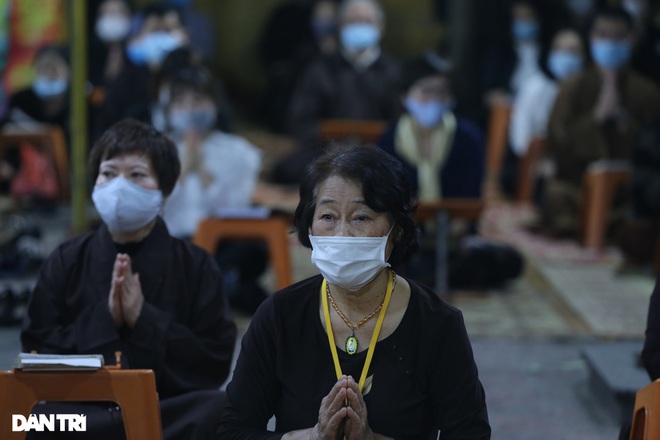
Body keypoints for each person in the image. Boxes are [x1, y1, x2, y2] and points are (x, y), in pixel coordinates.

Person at [218, 145, 491, 438]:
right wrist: (309, 438)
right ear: (308, 226)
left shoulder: (437, 325)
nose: (342, 234)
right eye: (328, 217)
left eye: (361, 217)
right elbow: (232, 430)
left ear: (397, 230)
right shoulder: (280, 315)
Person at [21, 119, 237, 439]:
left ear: (164, 190)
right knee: (24, 419)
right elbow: (35, 350)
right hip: (83, 414)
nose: (119, 187)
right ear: (95, 182)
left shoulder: (196, 265)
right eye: (108, 173)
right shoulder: (67, 259)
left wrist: (144, 320)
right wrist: (105, 320)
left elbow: (214, 360)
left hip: (165, 411)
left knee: (218, 409)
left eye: (136, 175)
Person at [158, 65, 268, 314]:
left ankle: (208, 287)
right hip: (174, 241)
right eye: (181, 102)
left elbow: (237, 208)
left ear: (215, 104)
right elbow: (154, 207)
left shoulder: (238, 151)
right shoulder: (157, 150)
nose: (190, 109)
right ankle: (218, 288)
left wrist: (203, 171)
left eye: (198, 100)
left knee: (252, 252)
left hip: (223, 244)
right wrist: (183, 170)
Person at [542, 6, 660, 237]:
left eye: (618, 37)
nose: (610, 43)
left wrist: (623, 122)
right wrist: (596, 117)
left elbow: (653, 150)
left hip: (627, 192)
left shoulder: (648, 92)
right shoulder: (572, 87)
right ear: (592, 38)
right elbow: (557, 142)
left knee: (640, 221)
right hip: (577, 185)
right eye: (603, 35)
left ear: (632, 40)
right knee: (556, 195)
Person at [277, 0, 400, 184]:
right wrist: (329, 143)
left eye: (367, 21)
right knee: (287, 170)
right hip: (326, 151)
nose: (360, 26)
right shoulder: (319, 69)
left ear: (381, 28)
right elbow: (300, 118)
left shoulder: (393, 71)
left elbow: (401, 123)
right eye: (353, 21)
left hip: (381, 152)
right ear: (340, 26)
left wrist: (378, 144)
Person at [500, 28, 587, 198]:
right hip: (534, 161)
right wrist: (537, 160)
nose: (566, 56)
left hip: (573, 162)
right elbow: (520, 134)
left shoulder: (588, 90)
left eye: (572, 51)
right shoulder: (535, 86)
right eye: (560, 50)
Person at [94, 3, 189, 139]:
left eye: (168, 31)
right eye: (154, 30)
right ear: (140, 35)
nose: (160, 37)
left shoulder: (196, 79)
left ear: (184, 36)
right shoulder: (124, 83)